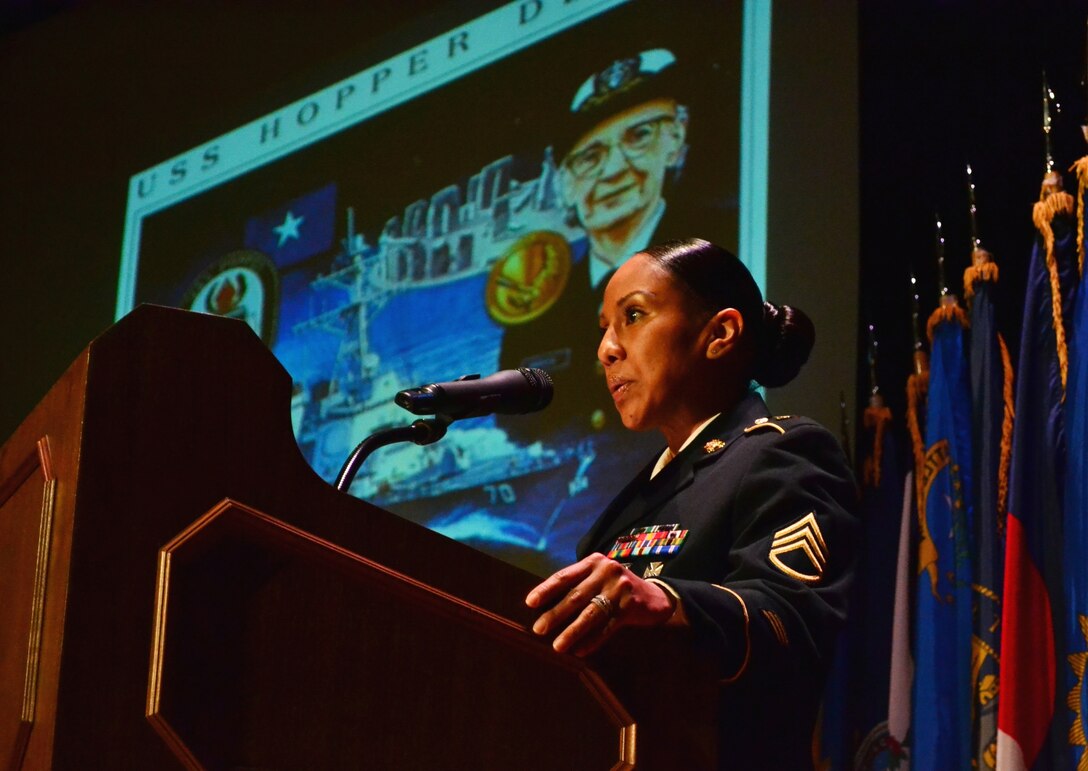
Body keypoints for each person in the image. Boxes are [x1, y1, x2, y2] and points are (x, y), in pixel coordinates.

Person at [524, 237, 860, 770]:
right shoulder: (631, 501)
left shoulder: (783, 452)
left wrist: (669, 601)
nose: (607, 349)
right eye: (605, 328)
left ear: (720, 333)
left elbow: (792, 619)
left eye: (633, 316)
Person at [499, 48, 693, 438]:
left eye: (638, 136)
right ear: (565, 183)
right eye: (590, 157)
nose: (614, 170)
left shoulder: (714, 261)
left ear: (674, 140)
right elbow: (517, 433)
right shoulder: (535, 317)